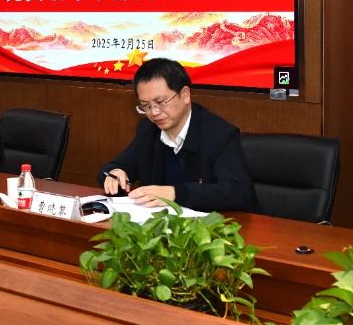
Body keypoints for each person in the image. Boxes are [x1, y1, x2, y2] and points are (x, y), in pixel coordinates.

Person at [99, 57, 257, 212]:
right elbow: (116, 166)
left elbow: (238, 193)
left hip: (209, 226)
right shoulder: (148, 130)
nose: (154, 112)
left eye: (161, 102)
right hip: (159, 223)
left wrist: (175, 193)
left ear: (185, 95)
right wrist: (114, 173)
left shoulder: (219, 134)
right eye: (145, 106)